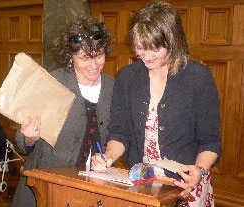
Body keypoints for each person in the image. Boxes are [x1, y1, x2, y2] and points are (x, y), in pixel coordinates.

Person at [91, 2, 221, 207]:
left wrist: (199, 170)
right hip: (143, 184)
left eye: (155, 48)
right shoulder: (127, 78)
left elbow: (210, 141)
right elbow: (119, 133)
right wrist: (107, 157)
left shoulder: (199, 77)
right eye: (140, 47)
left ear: (173, 41)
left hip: (186, 185)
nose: (146, 56)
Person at [11, 16, 114, 207]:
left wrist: (108, 156)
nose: (94, 65)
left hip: (91, 187)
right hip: (45, 185)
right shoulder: (53, 83)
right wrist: (30, 138)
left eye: (99, 56)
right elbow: (22, 143)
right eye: (85, 58)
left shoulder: (113, 88)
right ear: (70, 56)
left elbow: (117, 136)